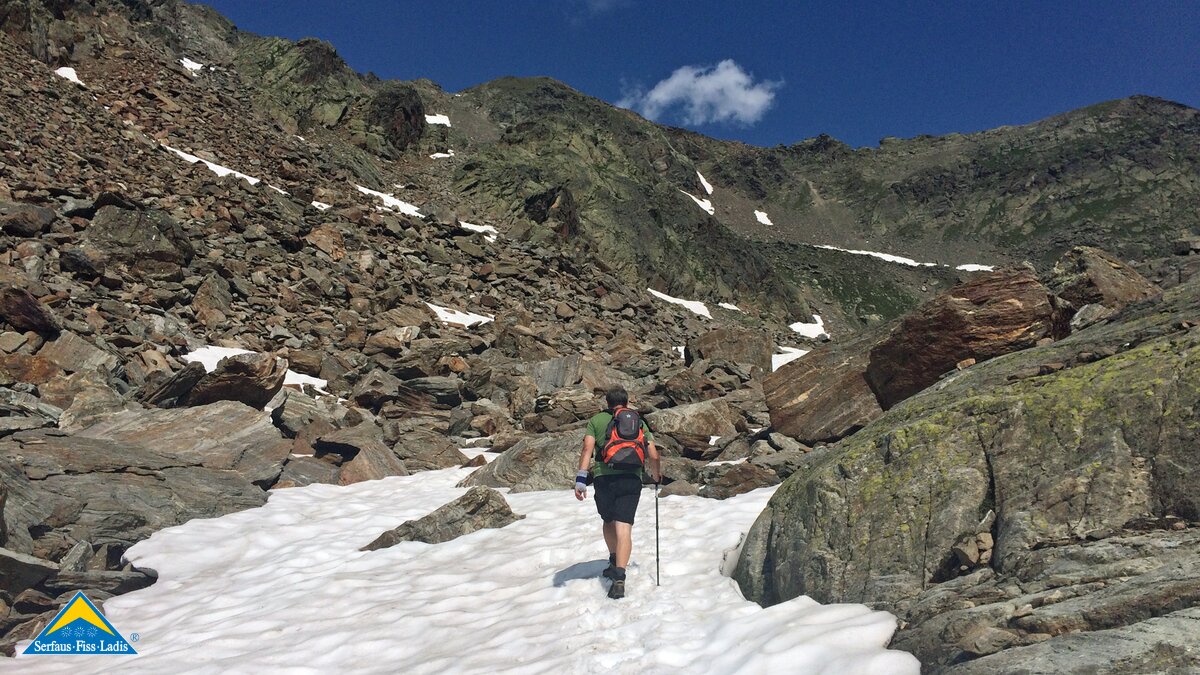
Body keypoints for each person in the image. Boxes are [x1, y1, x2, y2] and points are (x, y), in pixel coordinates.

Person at [574, 386, 661, 599]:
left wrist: (581, 479)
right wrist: (657, 476)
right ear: (627, 401)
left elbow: (587, 449)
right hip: (631, 478)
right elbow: (653, 453)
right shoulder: (637, 421)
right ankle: (620, 576)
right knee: (625, 527)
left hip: (605, 477)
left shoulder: (596, 421)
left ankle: (613, 560)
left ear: (607, 402)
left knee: (608, 520)